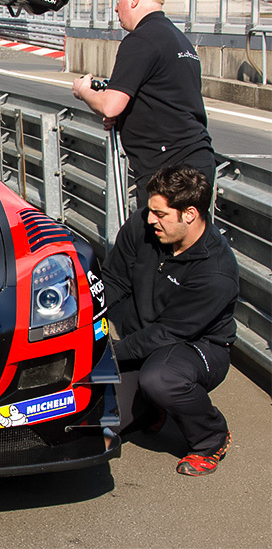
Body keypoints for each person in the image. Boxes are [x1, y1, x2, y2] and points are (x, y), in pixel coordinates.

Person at [102, 165, 238, 476]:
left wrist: (106, 354)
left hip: (195, 347)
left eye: (161, 214)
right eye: (150, 211)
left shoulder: (215, 273)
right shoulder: (143, 225)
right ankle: (152, 411)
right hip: (145, 339)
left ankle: (211, 437)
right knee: (97, 425)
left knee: (160, 379)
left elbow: (167, 334)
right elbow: (114, 281)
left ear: (189, 214)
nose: (151, 220)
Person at [71, 0, 215, 207]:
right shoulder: (180, 40)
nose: (116, 8)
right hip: (197, 161)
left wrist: (84, 91)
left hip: (168, 169)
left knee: (149, 242)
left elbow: (110, 105)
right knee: (187, 243)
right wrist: (127, 117)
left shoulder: (140, 40)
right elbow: (165, 98)